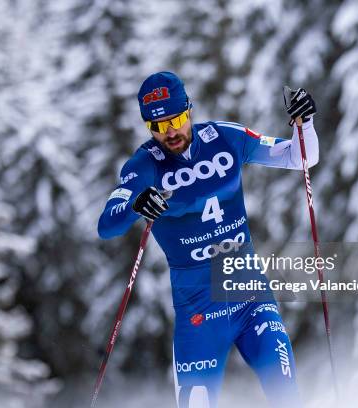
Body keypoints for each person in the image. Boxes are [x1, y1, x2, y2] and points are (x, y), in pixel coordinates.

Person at [98, 71, 318, 408]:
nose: (171, 131)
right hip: (198, 313)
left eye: (177, 119)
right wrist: (134, 204)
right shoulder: (144, 166)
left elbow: (299, 157)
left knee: (287, 394)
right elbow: (107, 225)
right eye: (158, 126)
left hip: (250, 297)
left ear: (189, 110)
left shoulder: (224, 138)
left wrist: (304, 124)